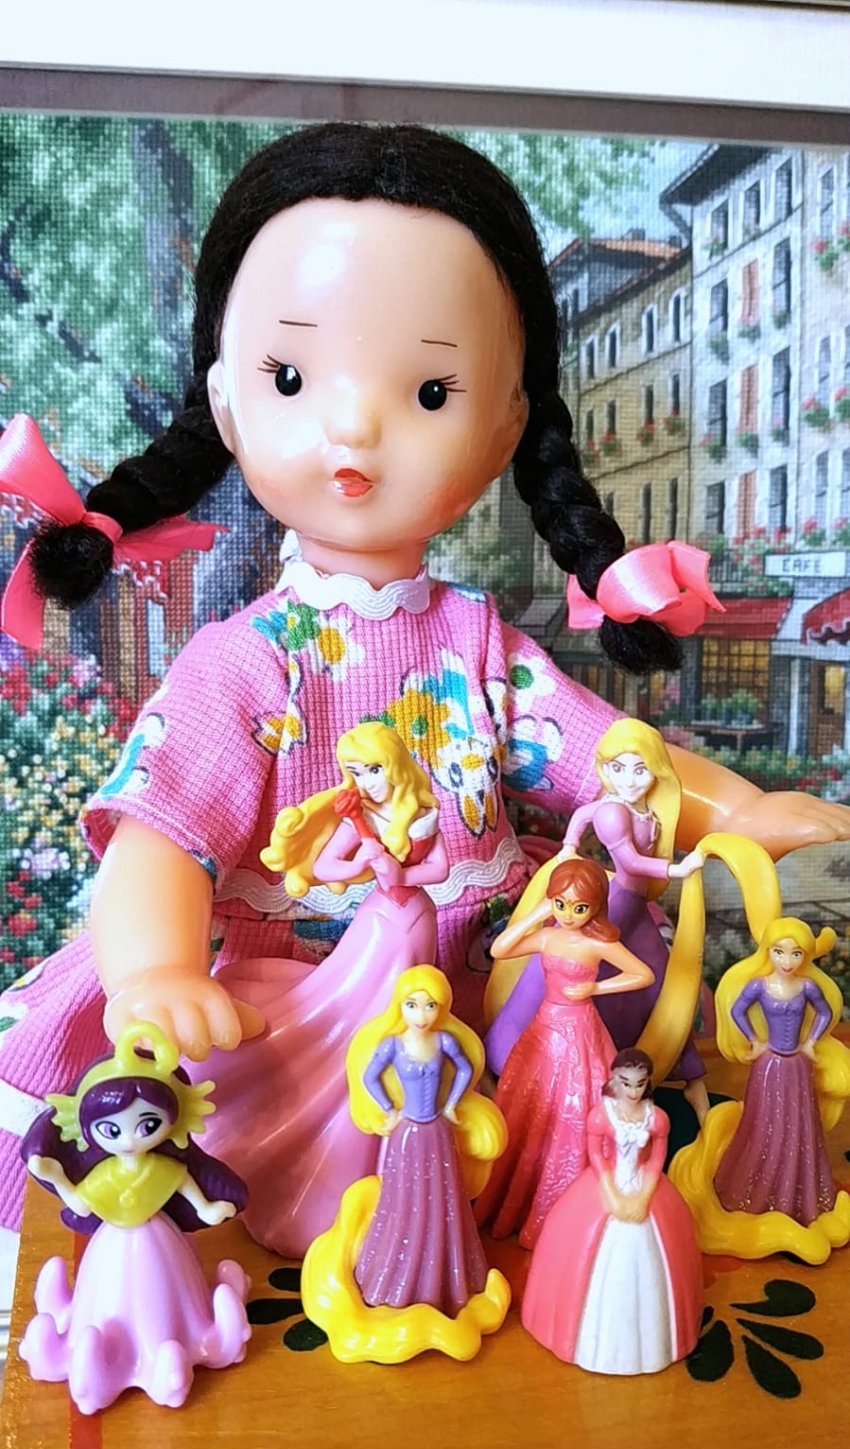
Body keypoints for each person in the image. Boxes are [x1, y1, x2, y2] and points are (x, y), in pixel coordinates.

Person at [0, 123, 846, 1244]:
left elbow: (612, 759)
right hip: (299, 1012)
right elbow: (164, 835)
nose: (354, 424)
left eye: (432, 390)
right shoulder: (246, 660)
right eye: (292, 378)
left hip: (475, 1002)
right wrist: (155, 968)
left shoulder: (477, 641)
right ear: (228, 404)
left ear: (505, 427)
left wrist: (732, 809)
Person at [196, 720, 450, 1257]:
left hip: (416, 920)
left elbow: (440, 866)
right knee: (359, 1011)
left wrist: (402, 874)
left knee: (411, 1015)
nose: (366, 780)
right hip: (379, 922)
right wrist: (365, 862)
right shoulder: (359, 815)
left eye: (373, 769)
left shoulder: (422, 813)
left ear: (395, 766)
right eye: (355, 771)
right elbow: (328, 863)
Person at [19, 1022, 250, 1414]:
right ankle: (109, 1354)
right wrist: (55, 1176)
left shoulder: (164, 1168)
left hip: (162, 1243)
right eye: (111, 1129)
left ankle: (179, 1336)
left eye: (147, 1125)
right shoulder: (104, 1175)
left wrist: (208, 1208)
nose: (128, 1140)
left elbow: (187, 1187)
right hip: (111, 1248)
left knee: (169, 1289)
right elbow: (81, 1206)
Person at [485, 719, 710, 1121]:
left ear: (656, 770)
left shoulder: (630, 807)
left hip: (633, 905)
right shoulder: (613, 815)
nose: (628, 779)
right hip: (614, 904)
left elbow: (583, 814)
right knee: (572, 972)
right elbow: (630, 862)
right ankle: (514, 1059)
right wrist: (677, 869)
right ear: (605, 768)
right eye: (617, 768)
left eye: (639, 769)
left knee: (661, 983)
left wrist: (569, 844)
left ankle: (687, 1075)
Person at [301, 965, 509, 1363]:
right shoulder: (393, 1045)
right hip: (407, 1134)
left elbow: (465, 1069)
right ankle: (394, 1279)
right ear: (400, 1006)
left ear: (441, 1007)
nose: (421, 1013)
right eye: (413, 1004)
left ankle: (447, 1280)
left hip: (438, 1133)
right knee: (401, 1203)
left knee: (444, 1203)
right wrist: (387, 1110)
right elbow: (370, 1077)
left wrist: (452, 1103)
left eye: (430, 1005)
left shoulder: (444, 1040)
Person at [474, 856, 653, 1248]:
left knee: (575, 1107)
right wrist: (539, 912)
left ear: (595, 906)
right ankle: (518, 1197)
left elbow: (643, 974)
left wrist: (596, 988)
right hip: (544, 1029)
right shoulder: (548, 937)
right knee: (528, 1104)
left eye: (579, 907)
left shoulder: (598, 942)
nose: (569, 914)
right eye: (561, 904)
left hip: (580, 1031)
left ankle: (564, 1208)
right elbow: (500, 949)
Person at [669, 917, 850, 1264]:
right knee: (762, 1125)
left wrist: (811, 1042)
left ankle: (798, 1194)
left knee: (799, 1128)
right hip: (768, 1066)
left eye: (796, 953)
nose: (787, 960)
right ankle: (757, 1191)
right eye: (780, 952)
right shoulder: (759, 985)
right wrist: (754, 1041)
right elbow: (737, 1011)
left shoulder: (807, 987)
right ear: (768, 951)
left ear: (805, 956)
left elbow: (825, 1013)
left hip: (797, 1066)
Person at [521, 1047, 702, 1375]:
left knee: (659, 1253)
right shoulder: (601, 1117)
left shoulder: (657, 1118)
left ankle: (656, 1339)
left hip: (644, 1185)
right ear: (614, 1080)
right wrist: (614, 1197)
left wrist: (643, 1197)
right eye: (626, 1082)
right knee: (580, 1251)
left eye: (640, 1084)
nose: (633, 1091)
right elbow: (597, 1157)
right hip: (607, 1184)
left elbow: (657, 1159)